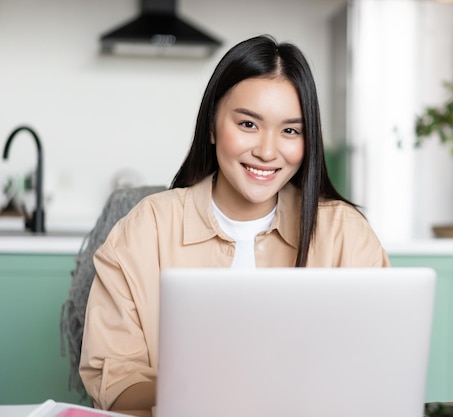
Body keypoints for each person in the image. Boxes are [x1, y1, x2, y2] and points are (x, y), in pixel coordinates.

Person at [79, 34, 390, 416]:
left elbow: (378, 373)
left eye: (291, 130)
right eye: (248, 124)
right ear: (211, 127)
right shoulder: (146, 228)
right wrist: (197, 385)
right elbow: (113, 382)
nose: (267, 150)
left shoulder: (346, 234)